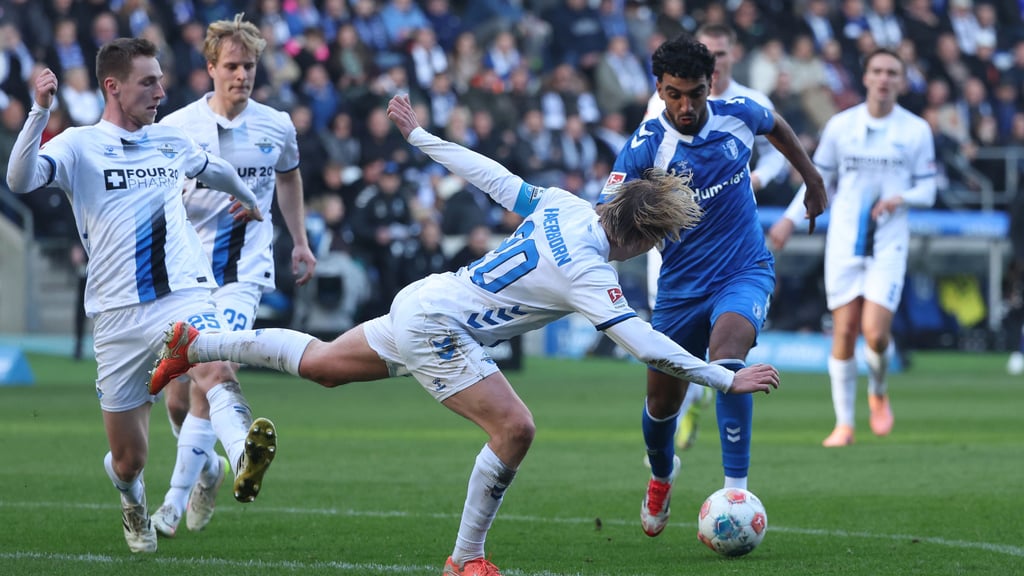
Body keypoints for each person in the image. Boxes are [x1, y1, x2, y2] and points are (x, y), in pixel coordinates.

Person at [149, 93, 783, 576]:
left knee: (319, 364)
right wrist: (725, 375)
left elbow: (494, 177)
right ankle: (465, 560)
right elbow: (646, 344)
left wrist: (422, 136)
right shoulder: (590, 271)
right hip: (440, 328)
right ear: (640, 234)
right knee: (515, 429)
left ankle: (196, 345)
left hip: (428, 295)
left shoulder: (566, 203)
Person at [4, 38, 276, 553]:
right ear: (113, 86)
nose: (161, 91)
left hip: (183, 293)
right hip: (115, 314)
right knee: (129, 459)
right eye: (148, 82)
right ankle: (132, 499)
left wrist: (247, 198)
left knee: (214, 366)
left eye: (161, 79)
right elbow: (19, 181)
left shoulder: (168, 140)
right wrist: (40, 112)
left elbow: (211, 169)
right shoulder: (77, 144)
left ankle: (245, 454)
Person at [599, 34, 827, 538]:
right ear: (659, 88)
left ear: (711, 85)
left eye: (696, 93)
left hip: (744, 269)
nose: (686, 105)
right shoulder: (643, 148)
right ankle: (662, 475)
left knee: (728, 355)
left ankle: (735, 491)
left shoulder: (740, 113)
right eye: (675, 94)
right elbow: (604, 217)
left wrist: (811, 179)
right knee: (662, 404)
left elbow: (779, 128)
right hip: (679, 288)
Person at [150, 14, 317, 538]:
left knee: (213, 366)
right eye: (231, 66)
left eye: (248, 66)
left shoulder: (276, 125)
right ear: (209, 68)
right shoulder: (177, 127)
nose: (241, 75)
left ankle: (177, 502)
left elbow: (288, 180)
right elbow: (157, 195)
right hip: (186, 272)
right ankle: (211, 472)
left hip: (244, 271)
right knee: (181, 396)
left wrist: (301, 242)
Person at [768, 48, 937, 447]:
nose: (883, 78)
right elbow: (816, 178)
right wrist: (791, 218)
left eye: (892, 72)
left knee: (875, 334)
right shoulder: (842, 127)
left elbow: (929, 187)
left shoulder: (915, 130)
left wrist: (901, 199)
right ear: (865, 77)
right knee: (843, 331)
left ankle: (877, 390)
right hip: (844, 242)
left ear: (901, 80)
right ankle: (844, 424)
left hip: (888, 244)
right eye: (877, 70)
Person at [643, 24, 792, 452]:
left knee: (725, 349)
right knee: (663, 388)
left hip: (735, 251)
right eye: (713, 52)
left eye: (723, 54)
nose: (720, 60)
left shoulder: (747, 104)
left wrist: (759, 177)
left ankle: (735, 485)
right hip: (676, 258)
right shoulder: (655, 120)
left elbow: (778, 145)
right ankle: (672, 441)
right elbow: (633, 186)